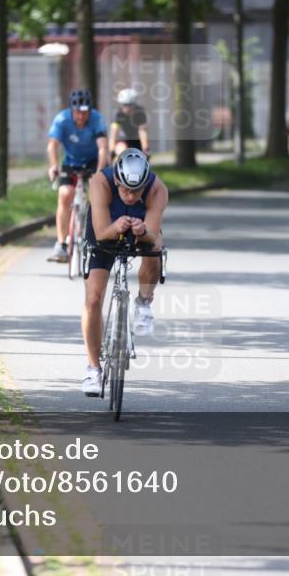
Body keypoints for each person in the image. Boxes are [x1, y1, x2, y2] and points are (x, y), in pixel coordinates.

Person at [80, 149, 168, 396]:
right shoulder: (100, 182)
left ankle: (143, 303)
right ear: (117, 180)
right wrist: (116, 227)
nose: (130, 196)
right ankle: (93, 369)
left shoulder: (157, 190)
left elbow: (153, 236)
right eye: (126, 190)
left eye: (137, 191)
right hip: (106, 227)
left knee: (155, 251)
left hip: (141, 227)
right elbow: (100, 233)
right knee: (93, 298)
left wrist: (142, 233)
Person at [46, 89, 109, 263]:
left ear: (89, 110)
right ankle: (61, 244)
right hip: (71, 162)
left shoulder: (97, 119)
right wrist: (53, 166)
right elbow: (52, 146)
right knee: (65, 194)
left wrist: (98, 172)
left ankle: (101, 236)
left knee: (99, 196)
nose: (81, 116)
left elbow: (103, 148)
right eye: (77, 112)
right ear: (71, 110)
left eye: (84, 112)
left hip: (93, 161)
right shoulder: (62, 119)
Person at [109, 88, 150, 158]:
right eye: (123, 104)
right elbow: (114, 133)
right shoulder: (118, 113)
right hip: (122, 141)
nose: (125, 107)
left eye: (127, 105)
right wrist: (111, 150)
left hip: (136, 141)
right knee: (122, 152)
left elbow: (142, 131)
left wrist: (145, 148)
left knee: (144, 160)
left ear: (133, 104)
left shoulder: (140, 112)